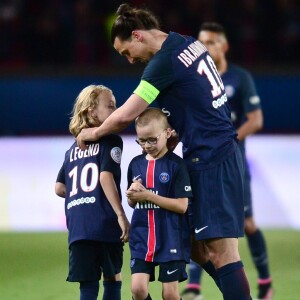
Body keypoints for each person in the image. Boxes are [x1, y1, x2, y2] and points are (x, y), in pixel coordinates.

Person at [76, 4, 252, 299]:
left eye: (126, 52)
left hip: (213, 158)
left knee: (223, 253)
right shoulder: (187, 42)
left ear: (137, 35)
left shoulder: (163, 63)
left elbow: (124, 116)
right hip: (211, 153)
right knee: (194, 246)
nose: (130, 60)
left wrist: (91, 132)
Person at [181, 22, 273, 300]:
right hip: (202, 164)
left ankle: (265, 281)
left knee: (246, 223)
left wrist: (229, 141)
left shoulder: (238, 78)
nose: (204, 47)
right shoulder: (195, 79)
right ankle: (195, 287)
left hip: (231, 165)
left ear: (224, 46)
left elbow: (256, 119)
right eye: (200, 42)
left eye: (210, 42)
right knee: (197, 225)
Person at [55, 84, 130, 300]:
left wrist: (82, 198)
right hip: (104, 222)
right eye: (110, 106)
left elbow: (59, 188)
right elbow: (105, 177)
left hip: (78, 227)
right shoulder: (111, 140)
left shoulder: (72, 150)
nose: (115, 111)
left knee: (87, 285)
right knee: (112, 278)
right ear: (91, 111)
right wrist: (120, 215)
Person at [126, 107, 192, 300]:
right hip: (142, 237)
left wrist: (147, 195)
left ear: (167, 133)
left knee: (170, 294)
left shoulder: (177, 166)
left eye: (152, 139)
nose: (147, 145)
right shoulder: (135, 164)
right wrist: (132, 196)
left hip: (171, 236)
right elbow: (133, 204)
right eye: (141, 140)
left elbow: (182, 206)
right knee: (138, 289)